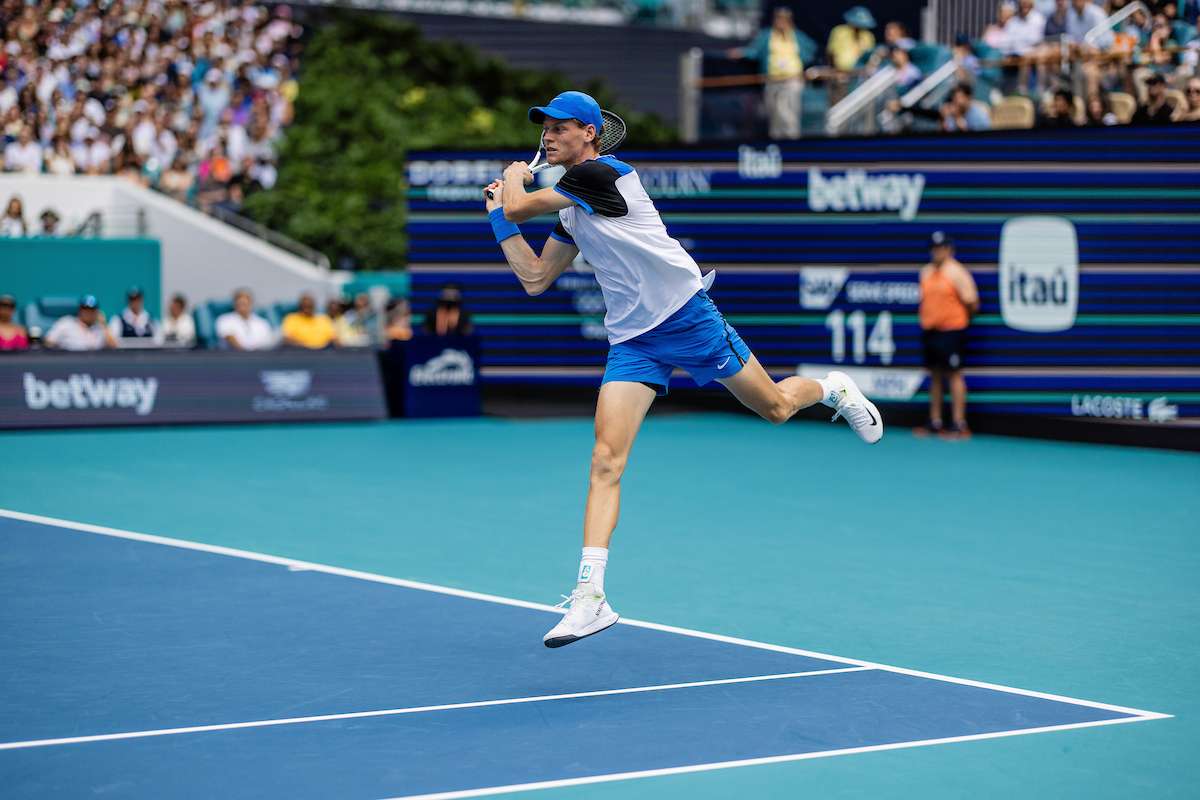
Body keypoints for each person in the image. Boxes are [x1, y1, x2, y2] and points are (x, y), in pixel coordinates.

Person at [483, 90, 882, 649]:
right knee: (605, 460)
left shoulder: (604, 174)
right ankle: (590, 598)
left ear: (590, 133)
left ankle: (831, 388)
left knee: (775, 407)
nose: (548, 135)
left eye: (560, 126)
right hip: (632, 340)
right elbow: (534, 277)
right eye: (544, 127)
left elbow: (523, 203)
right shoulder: (573, 204)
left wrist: (510, 184)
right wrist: (499, 220)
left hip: (686, 317)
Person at [916, 232, 979, 439]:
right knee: (934, 375)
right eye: (934, 248)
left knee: (954, 375)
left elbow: (972, 302)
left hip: (952, 331)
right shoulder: (925, 272)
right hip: (931, 331)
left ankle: (959, 424)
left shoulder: (957, 272)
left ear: (949, 249)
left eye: (941, 247)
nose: (937, 251)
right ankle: (935, 422)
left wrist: (958, 321)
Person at [726, 8, 812, 140]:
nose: (781, 22)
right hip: (772, 79)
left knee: (788, 112)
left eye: (784, 19)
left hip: (791, 80)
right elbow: (755, 50)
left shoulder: (797, 36)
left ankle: (792, 140)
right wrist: (741, 52)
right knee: (773, 112)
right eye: (779, 18)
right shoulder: (767, 35)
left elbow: (810, 50)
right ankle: (776, 141)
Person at [44, 295, 117, 351]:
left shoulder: (100, 328)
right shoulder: (66, 323)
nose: (88, 313)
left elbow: (114, 347)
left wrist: (104, 325)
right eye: (85, 310)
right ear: (80, 310)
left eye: (92, 310)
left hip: (94, 365)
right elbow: (48, 342)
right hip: (69, 363)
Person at [827, 6, 878, 72]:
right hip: (840, 72)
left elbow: (871, 56)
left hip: (860, 73)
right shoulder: (839, 31)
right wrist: (835, 71)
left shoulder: (868, 36)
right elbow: (831, 53)